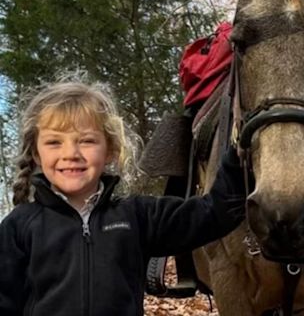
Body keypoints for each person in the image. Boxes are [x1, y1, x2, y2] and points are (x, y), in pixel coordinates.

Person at [0, 78, 246, 316]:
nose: (71, 153)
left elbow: (213, 213)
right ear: (36, 154)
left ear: (110, 150)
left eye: (86, 141)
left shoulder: (136, 216)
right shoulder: (19, 226)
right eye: (54, 142)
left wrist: (238, 153)